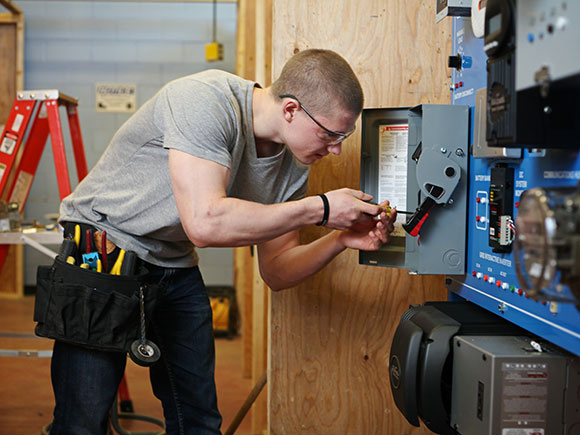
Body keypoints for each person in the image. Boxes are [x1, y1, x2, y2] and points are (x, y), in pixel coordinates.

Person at [50, 48, 396, 434]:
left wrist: (340, 240)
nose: (337, 149)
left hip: (172, 259)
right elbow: (204, 222)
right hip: (102, 246)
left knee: (198, 418)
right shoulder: (204, 100)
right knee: (82, 419)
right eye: (331, 134)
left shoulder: (293, 166)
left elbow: (278, 270)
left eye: (343, 136)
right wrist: (321, 209)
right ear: (291, 110)